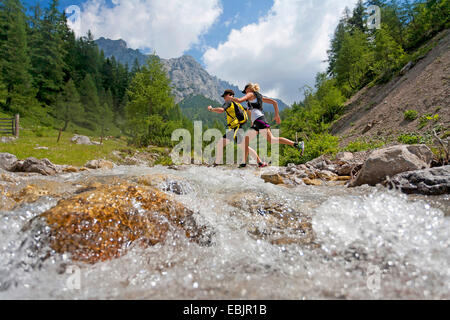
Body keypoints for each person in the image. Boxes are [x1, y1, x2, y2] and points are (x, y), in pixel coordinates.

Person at [230, 83, 304, 167]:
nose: (245, 93)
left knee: (271, 139)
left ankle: (297, 144)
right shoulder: (258, 97)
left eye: (245, 91)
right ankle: (245, 163)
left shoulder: (251, 94)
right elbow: (274, 103)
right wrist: (276, 115)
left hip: (260, 120)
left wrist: (231, 98)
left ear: (249, 89)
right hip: (256, 122)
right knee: (246, 140)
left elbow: (239, 100)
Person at [208, 89, 268, 167]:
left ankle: (260, 163)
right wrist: (252, 120)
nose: (224, 98)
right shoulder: (237, 104)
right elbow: (248, 110)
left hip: (235, 129)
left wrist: (211, 109)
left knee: (241, 146)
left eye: (224, 96)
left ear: (229, 95)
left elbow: (221, 110)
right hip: (236, 128)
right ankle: (216, 163)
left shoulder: (229, 102)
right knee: (224, 144)